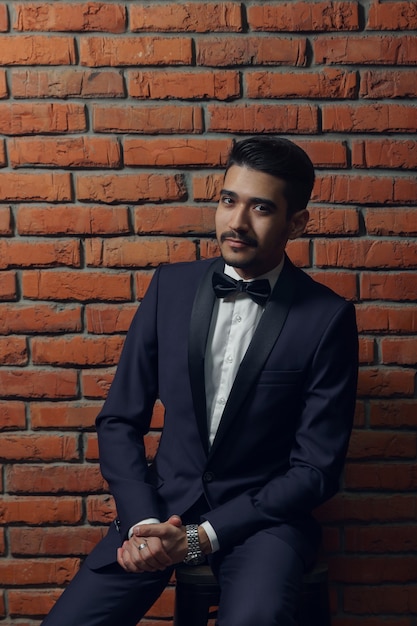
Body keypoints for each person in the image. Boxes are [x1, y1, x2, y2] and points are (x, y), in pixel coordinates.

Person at [41, 136, 358, 626]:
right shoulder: (171, 287)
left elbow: (315, 470)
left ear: (297, 222)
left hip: (262, 521)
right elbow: (120, 419)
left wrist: (200, 536)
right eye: (229, 200)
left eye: (261, 208)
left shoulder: (327, 318)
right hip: (158, 508)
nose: (236, 222)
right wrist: (143, 519)